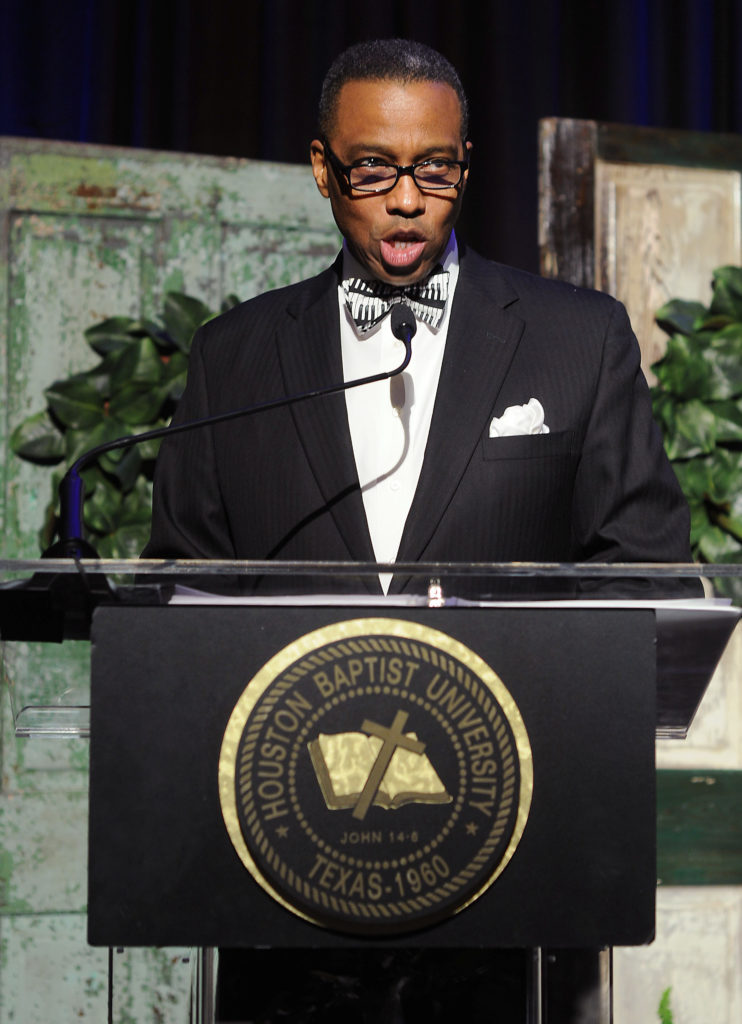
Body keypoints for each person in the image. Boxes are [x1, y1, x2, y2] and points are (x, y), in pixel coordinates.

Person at [143, 38, 694, 1023]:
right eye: (373, 169)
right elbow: (183, 592)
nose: (407, 200)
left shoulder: (578, 339)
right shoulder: (235, 358)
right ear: (323, 170)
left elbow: (643, 568)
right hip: (284, 871)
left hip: (510, 874)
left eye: (434, 169)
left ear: (465, 166)